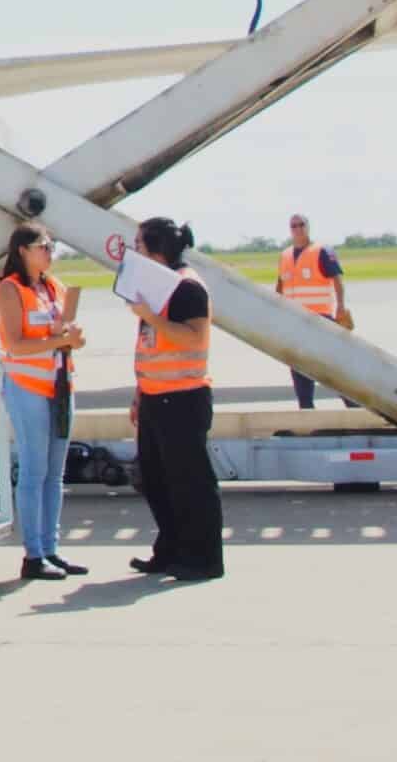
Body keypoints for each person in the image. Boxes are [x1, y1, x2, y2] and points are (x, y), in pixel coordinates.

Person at [127, 215, 224, 582]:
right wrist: (139, 393)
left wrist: (150, 315)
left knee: (191, 482)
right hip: (155, 397)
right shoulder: (156, 286)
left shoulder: (186, 287)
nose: (135, 252)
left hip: (183, 398)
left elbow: (193, 338)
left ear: (157, 250)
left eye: (139, 245)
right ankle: (170, 549)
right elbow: (151, 344)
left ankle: (203, 558)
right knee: (155, 479)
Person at [0, 222, 87, 580]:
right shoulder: (9, 290)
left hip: (59, 385)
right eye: (44, 246)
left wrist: (72, 338)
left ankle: (51, 548)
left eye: (51, 245)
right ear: (23, 250)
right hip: (27, 386)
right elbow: (16, 344)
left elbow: (59, 332)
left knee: (54, 473)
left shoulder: (53, 288)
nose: (50, 252)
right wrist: (59, 343)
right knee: (34, 470)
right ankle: (33, 554)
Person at [275, 213, 350, 409]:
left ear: (308, 227)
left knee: (331, 368)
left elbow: (337, 280)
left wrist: (340, 307)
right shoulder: (285, 255)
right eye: (294, 226)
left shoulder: (322, 251)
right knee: (299, 368)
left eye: (301, 225)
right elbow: (280, 286)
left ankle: (353, 405)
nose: (298, 229)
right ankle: (306, 409)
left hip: (320, 319)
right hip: (294, 321)